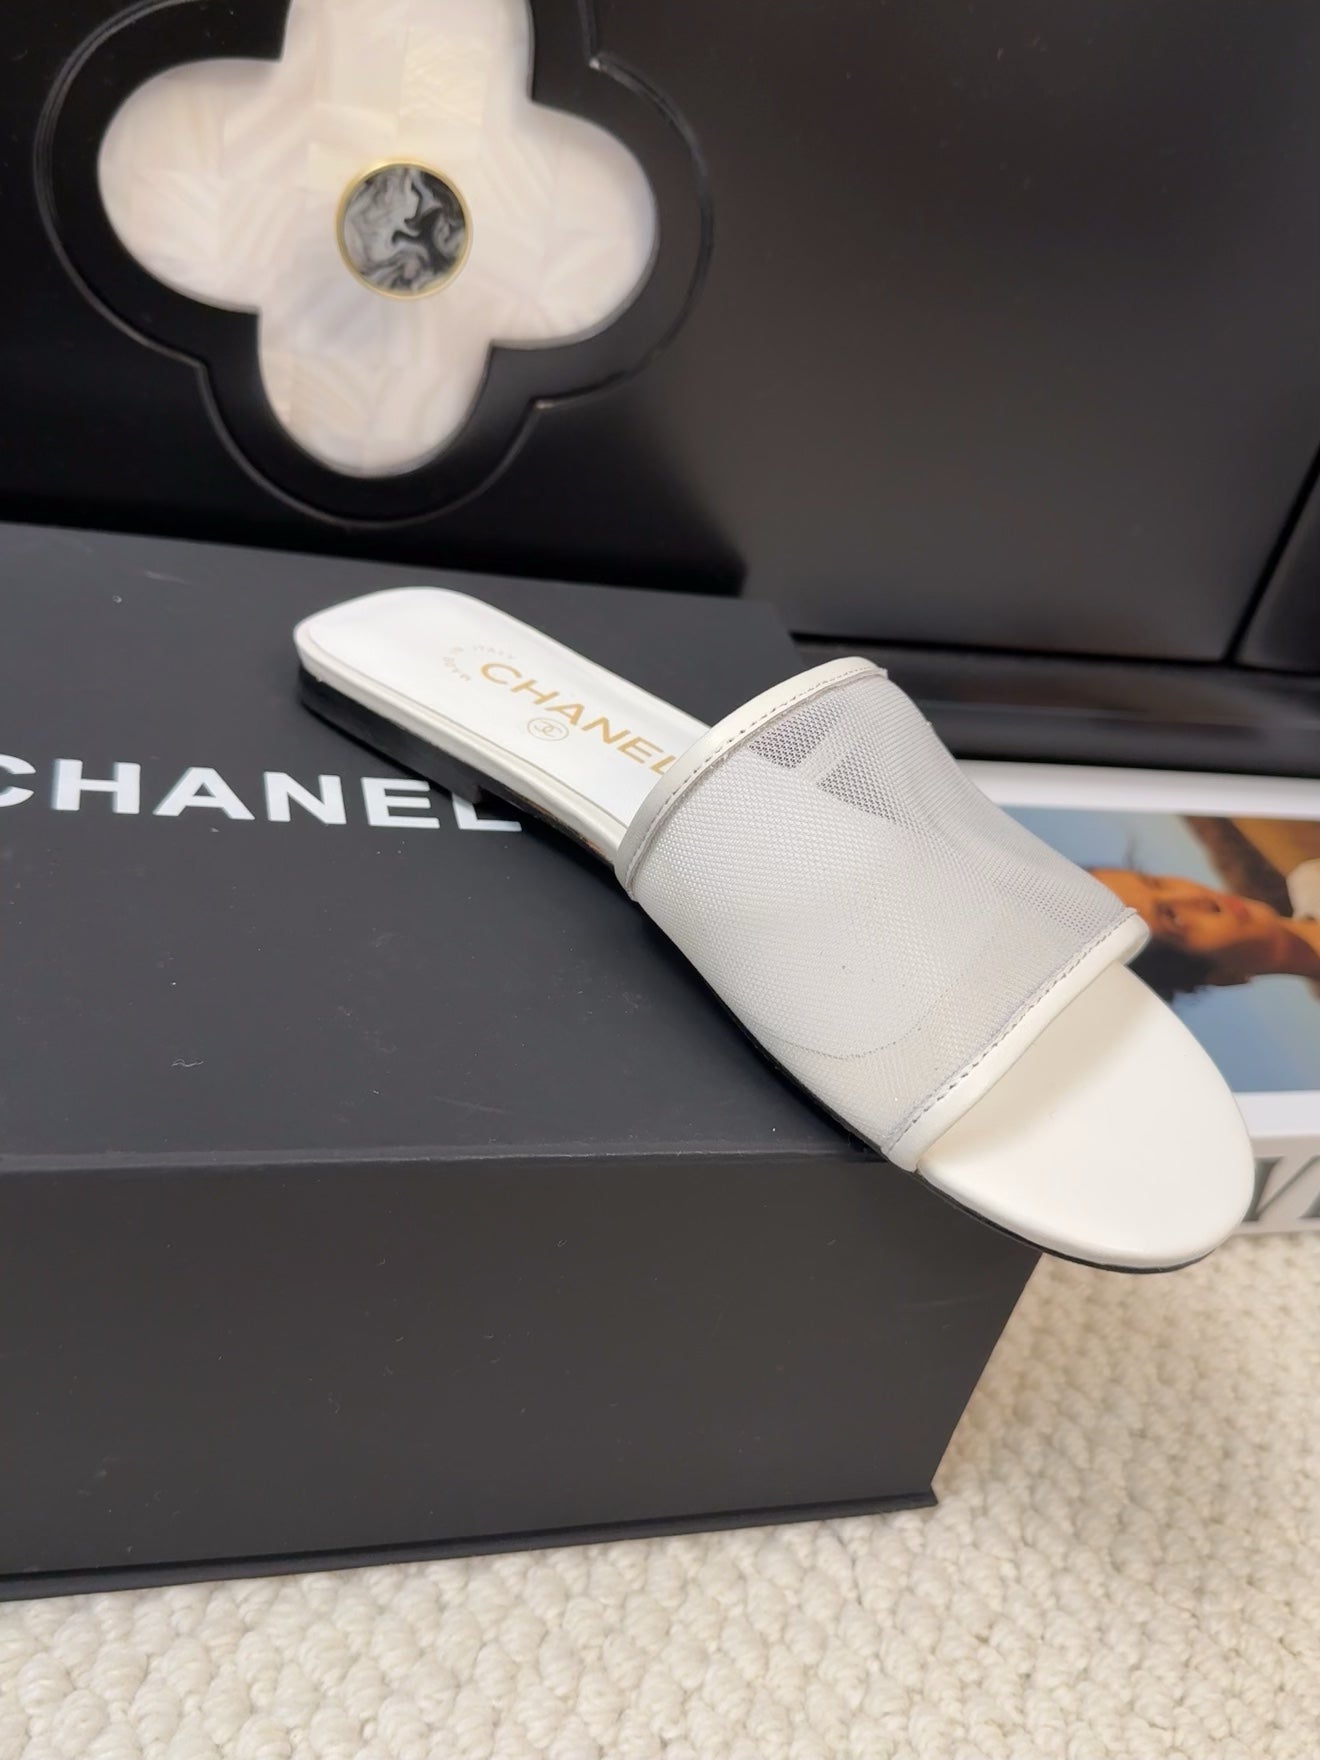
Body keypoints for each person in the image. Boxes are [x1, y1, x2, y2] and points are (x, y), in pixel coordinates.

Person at [1090, 866, 1320, 1000]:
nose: (1197, 897)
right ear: (1223, 977)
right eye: (1172, 918)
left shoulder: (1311, 877)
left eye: (1156, 883)